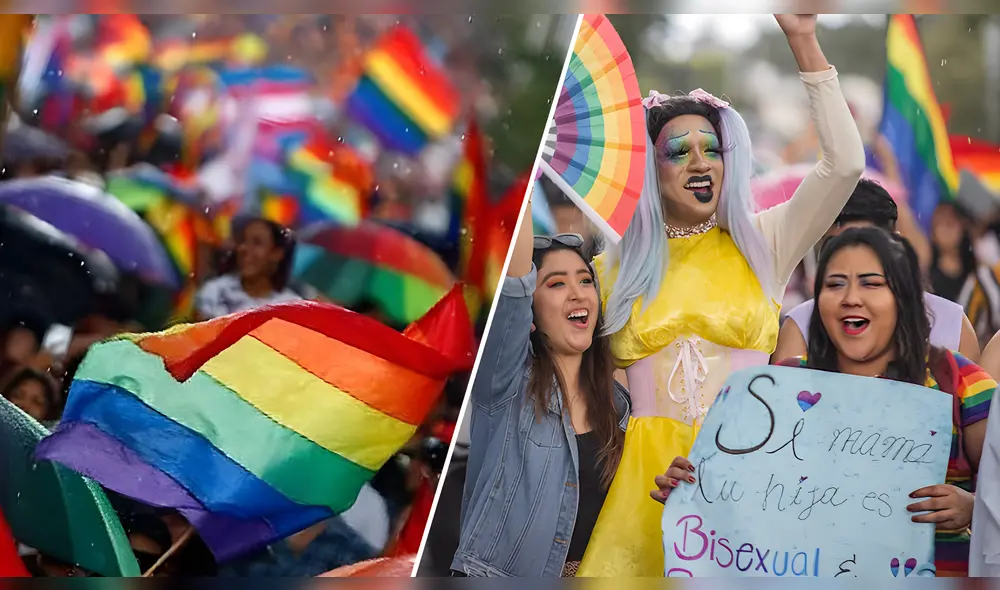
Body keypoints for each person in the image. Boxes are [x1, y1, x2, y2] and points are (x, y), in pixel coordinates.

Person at [580, 15, 865, 576]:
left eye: (711, 149)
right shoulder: (609, 269)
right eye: (677, 151)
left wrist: (803, 40)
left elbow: (845, 166)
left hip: (751, 483)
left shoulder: (764, 242)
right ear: (650, 170)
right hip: (645, 489)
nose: (699, 162)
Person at [656, 227, 993, 577]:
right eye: (835, 284)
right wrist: (692, 493)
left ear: (904, 296)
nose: (851, 298)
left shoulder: (959, 381)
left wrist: (974, 509)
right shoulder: (779, 387)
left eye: (871, 283)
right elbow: (741, 497)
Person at [451, 197, 630, 577]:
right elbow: (515, 285)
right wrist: (528, 190)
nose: (577, 293)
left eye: (585, 280)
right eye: (557, 283)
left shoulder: (621, 404)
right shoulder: (506, 382)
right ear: (530, 312)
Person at [773, 179, 980, 363]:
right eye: (835, 247)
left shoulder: (952, 327)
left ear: (896, 245)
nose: (852, 299)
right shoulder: (800, 328)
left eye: (864, 246)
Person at [195, 217, 301, 320]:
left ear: (276, 253)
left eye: (257, 243)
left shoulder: (291, 307)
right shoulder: (215, 292)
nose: (243, 248)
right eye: (243, 241)